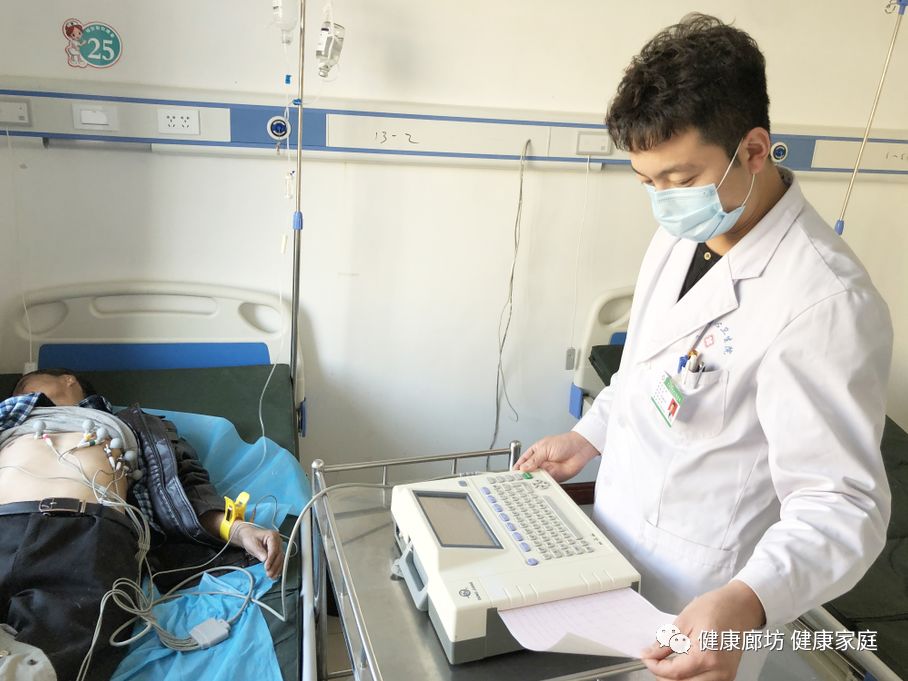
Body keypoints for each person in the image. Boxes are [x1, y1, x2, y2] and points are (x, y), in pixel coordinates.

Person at [514, 14, 892, 681]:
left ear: (754, 149)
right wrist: (588, 435)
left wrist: (748, 599)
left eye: (680, 177)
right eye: (648, 182)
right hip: (613, 558)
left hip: (705, 606)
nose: (664, 201)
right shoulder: (680, 235)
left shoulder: (825, 301)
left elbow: (842, 504)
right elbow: (646, 372)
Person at [0, 368, 285, 681]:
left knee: (54, 657)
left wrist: (239, 530)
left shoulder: (137, 428)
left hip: (85, 535)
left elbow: (187, 491)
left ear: (68, 378)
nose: (18, 394)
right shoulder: (9, 419)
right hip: (5, 524)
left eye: (25, 384)